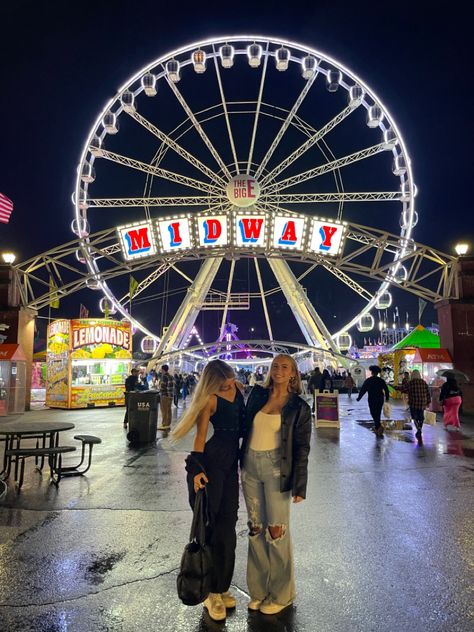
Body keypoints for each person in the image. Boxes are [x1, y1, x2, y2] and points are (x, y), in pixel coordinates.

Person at [172, 360, 245, 622]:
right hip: (212, 465)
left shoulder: (238, 390)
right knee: (210, 527)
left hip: (230, 465)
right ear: (213, 383)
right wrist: (197, 469)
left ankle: (221, 586)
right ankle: (209, 592)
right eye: (223, 384)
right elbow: (201, 437)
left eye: (230, 381)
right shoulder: (210, 401)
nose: (229, 386)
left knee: (228, 527)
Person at [241, 354, 311, 615]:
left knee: (276, 531)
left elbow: (302, 447)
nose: (278, 370)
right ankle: (258, 591)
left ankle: (282, 594)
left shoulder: (299, 408)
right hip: (249, 467)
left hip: (276, 469)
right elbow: (243, 425)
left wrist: (300, 486)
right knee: (255, 529)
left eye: (284, 367)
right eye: (275, 366)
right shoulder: (258, 397)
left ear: (293, 373)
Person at [356, 365, 390, 437]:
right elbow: (386, 390)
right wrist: (387, 398)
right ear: (377, 373)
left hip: (372, 399)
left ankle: (378, 427)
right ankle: (378, 427)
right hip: (380, 399)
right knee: (378, 412)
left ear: (371, 372)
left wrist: (359, 398)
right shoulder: (381, 380)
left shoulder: (368, 380)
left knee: (373, 413)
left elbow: (363, 390)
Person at [406, 369, 431, 441]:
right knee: (421, 417)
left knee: (414, 417)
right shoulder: (423, 382)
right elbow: (427, 393)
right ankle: (420, 427)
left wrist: (395, 387)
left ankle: (418, 429)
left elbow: (404, 389)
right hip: (422, 402)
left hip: (413, 402)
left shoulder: (411, 383)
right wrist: (428, 402)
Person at [158, 364, 174, 430]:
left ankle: (164, 424)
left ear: (163, 370)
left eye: (161, 369)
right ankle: (168, 424)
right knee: (168, 410)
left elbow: (164, 387)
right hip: (170, 396)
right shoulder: (170, 376)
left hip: (165, 395)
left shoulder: (164, 377)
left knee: (164, 410)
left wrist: (159, 388)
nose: (160, 371)